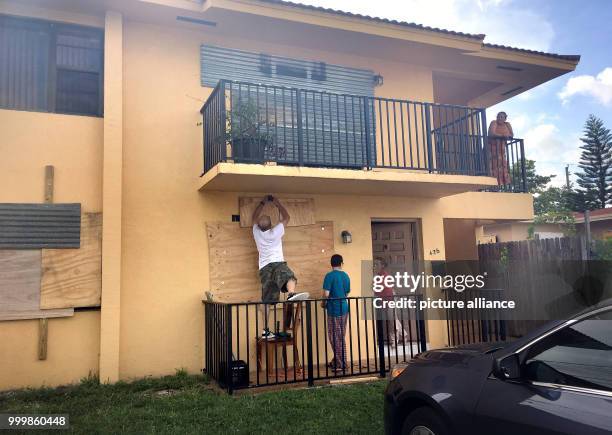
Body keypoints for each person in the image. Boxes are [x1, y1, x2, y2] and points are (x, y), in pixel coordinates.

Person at [252, 195, 305, 339]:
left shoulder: (256, 232)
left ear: (259, 225)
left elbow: (254, 217)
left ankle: (265, 330)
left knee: (266, 301)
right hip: (277, 263)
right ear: (270, 225)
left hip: (264, 268)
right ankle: (290, 294)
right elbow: (287, 217)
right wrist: (277, 203)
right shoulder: (274, 232)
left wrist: (262, 203)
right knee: (290, 277)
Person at [321, 254, 350, 371]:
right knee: (340, 336)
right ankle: (336, 360)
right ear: (341, 263)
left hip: (334, 310)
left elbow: (326, 294)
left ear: (331, 264)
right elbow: (347, 293)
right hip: (344, 309)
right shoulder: (345, 276)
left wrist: (323, 303)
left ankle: (341, 364)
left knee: (334, 337)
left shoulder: (329, 276)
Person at [374, 257, 396, 346]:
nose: (375, 266)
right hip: (382, 300)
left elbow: (383, 288)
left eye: (377, 264)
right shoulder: (377, 275)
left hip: (389, 300)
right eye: (374, 264)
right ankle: (399, 336)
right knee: (390, 320)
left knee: (391, 320)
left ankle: (393, 340)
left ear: (382, 266)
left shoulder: (384, 275)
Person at [487, 111, 514, 186]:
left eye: (502, 117)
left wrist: (506, 136)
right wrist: (502, 136)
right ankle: (492, 184)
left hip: (501, 149)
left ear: (505, 119)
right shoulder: (494, 123)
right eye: (498, 116)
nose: (499, 118)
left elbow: (511, 135)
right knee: (492, 166)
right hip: (492, 148)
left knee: (503, 166)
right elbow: (491, 133)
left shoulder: (507, 124)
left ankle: (502, 184)